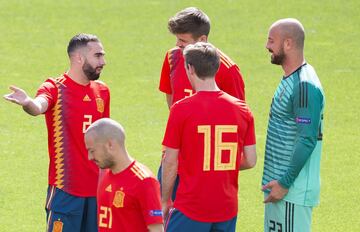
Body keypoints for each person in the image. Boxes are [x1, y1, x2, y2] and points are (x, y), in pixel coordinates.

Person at [3, 33, 110, 232]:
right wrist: (28, 102)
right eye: (98, 55)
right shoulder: (55, 88)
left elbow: (107, 138)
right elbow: (39, 105)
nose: (103, 61)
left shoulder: (102, 91)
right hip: (66, 190)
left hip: (98, 191)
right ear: (79, 58)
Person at [161, 42, 256, 231]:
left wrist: (165, 200)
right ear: (217, 67)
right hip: (227, 208)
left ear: (190, 68)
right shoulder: (242, 109)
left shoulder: (180, 109)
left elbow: (170, 161)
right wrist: (217, 165)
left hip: (191, 207)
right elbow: (251, 160)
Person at [158, 6, 246, 201]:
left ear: (202, 40)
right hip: (174, 158)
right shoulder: (172, 57)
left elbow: (237, 121)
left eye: (183, 41)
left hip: (206, 167)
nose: (177, 45)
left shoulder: (228, 70)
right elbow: (171, 98)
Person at [261, 18, 325, 232]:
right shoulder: (292, 79)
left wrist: (285, 183)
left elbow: (307, 139)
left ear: (288, 44)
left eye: (271, 41)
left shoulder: (304, 85)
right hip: (282, 189)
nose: (267, 46)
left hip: (291, 192)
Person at [84, 118, 164, 232]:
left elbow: (157, 230)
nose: (90, 157)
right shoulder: (104, 175)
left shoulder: (145, 181)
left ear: (110, 145)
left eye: (92, 151)